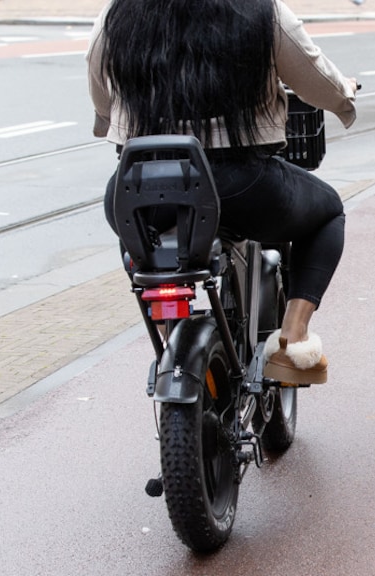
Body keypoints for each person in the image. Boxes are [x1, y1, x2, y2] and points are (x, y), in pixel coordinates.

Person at [86, 0, 357, 384]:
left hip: (143, 186)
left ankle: (171, 338)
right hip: (241, 185)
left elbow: (99, 82)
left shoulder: (119, 12)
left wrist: (106, 121)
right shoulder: (263, 10)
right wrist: (344, 94)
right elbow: (315, 77)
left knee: (138, 239)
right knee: (328, 212)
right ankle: (293, 340)